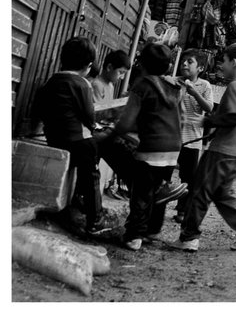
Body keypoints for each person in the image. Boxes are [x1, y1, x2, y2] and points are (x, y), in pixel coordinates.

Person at [171, 42, 236, 252]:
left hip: (223, 149)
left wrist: (209, 122)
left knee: (199, 191)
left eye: (223, 61)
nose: (221, 65)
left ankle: (189, 237)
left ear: (234, 62)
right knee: (222, 193)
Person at [31, 37, 108, 234]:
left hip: (55, 139)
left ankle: (77, 204)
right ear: (89, 66)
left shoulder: (51, 81)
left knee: (85, 168)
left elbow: (40, 109)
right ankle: (95, 220)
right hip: (79, 141)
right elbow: (88, 116)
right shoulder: (82, 84)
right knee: (92, 175)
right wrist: (95, 125)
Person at [112, 43, 183, 251]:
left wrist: (113, 131)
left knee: (141, 192)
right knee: (159, 190)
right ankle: (152, 230)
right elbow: (180, 119)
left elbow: (125, 123)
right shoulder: (174, 87)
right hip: (173, 149)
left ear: (141, 64)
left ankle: (134, 236)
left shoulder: (142, 85)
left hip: (152, 147)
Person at [173, 49, 214, 223]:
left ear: (200, 68)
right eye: (183, 61)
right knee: (165, 174)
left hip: (192, 140)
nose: (184, 64)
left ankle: (182, 210)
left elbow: (209, 108)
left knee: (187, 178)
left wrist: (194, 92)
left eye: (190, 62)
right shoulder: (174, 83)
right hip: (173, 138)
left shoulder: (205, 86)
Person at [89, 50, 131, 197]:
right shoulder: (97, 84)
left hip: (103, 128)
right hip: (95, 130)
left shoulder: (110, 86)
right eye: (120, 72)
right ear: (109, 68)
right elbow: (97, 112)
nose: (122, 77)